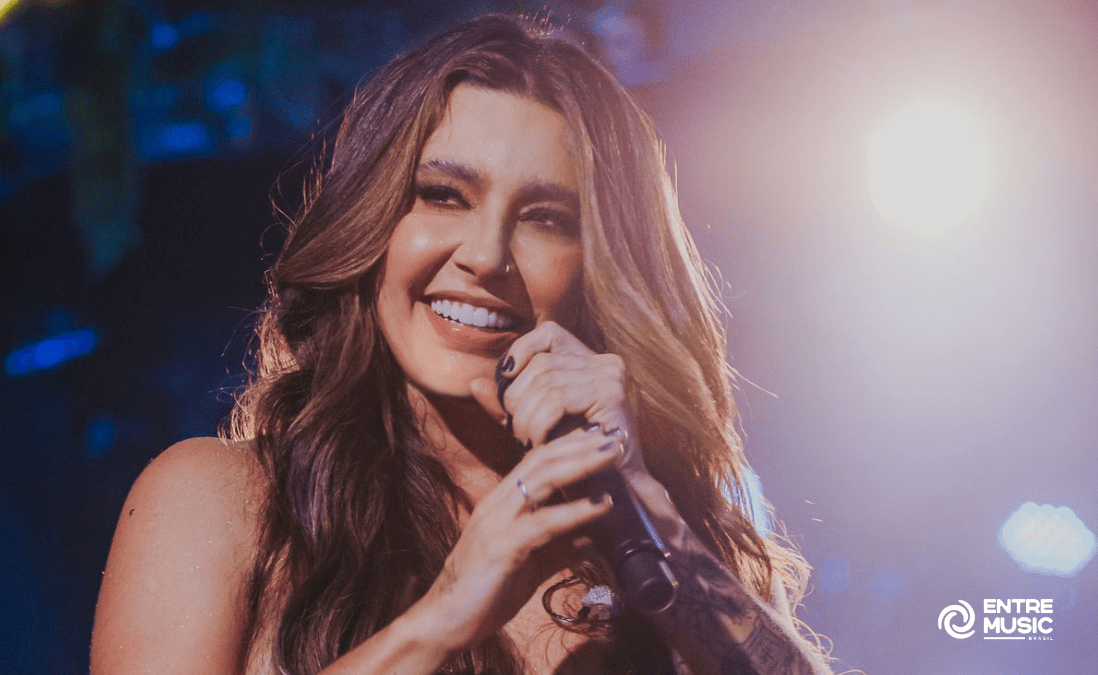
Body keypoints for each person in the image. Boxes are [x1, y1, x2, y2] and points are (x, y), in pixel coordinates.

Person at [92, 14, 835, 675]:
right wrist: (443, 617)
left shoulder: (653, 542)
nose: (485, 256)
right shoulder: (218, 502)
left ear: (597, 273)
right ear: (372, 224)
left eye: (545, 218)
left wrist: (650, 508)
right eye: (444, 195)